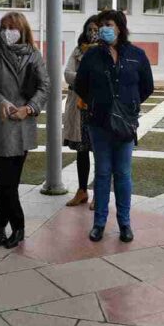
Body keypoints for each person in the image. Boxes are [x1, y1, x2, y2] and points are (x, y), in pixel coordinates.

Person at [74, 10, 154, 243]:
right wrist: (98, 103)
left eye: (108, 24)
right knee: (102, 173)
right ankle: (99, 224)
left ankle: (124, 223)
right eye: (101, 25)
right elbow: (81, 85)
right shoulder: (92, 55)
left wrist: (128, 105)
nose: (103, 29)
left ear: (120, 27)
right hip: (99, 123)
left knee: (123, 173)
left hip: (125, 125)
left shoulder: (137, 55)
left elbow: (147, 86)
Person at [0, 12, 49, 249]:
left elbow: (45, 86)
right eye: (3, 27)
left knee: (10, 183)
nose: (7, 32)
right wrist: (1, 101)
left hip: (23, 126)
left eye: (12, 27)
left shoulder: (34, 54)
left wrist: (29, 108)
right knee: (6, 181)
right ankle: (18, 226)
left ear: (23, 30)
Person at [63, 15, 99, 208]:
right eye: (90, 29)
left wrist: (85, 78)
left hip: (98, 108)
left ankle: (99, 194)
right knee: (82, 150)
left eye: (96, 30)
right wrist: (87, 77)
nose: (92, 33)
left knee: (100, 152)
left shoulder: (106, 51)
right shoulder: (78, 50)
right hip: (80, 108)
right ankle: (82, 191)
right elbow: (67, 74)